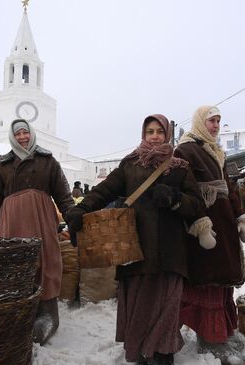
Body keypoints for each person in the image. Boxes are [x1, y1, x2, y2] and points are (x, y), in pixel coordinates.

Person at [66, 114, 206, 365]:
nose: (154, 136)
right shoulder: (130, 164)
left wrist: (175, 199)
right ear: (143, 135)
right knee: (140, 304)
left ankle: (163, 352)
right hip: (135, 246)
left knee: (167, 302)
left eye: (159, 132)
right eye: (149, 131)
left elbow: (197, 204)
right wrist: (81, 209)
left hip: (170, 250)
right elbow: (104, 190)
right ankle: (141, 350)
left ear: (167, 134)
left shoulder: (180, 167)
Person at [0, 119, 75, 345]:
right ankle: (20, 313)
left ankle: (48, 315)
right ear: (12, 137)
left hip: (42, 222)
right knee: (17, 265)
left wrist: (73, 217)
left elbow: (63, 196)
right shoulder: (2, 167)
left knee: (47, 262)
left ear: (32, 134)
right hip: (12, 225)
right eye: (18, 134)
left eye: (25, 132)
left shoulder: (48, 162)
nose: (23, 137)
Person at [174, 106, 245, 365]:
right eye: (211, 121)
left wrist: (240, 217)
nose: (216, 125)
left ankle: (223, 331)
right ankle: (210, 338)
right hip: (206, 223)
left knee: (223, 279)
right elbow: (185, 189)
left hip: (225, 221)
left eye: (218, 121)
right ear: (199, 122)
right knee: (208, 279)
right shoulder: (185, 150)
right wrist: (198, 224)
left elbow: (229, 186)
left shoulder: (217, 151)